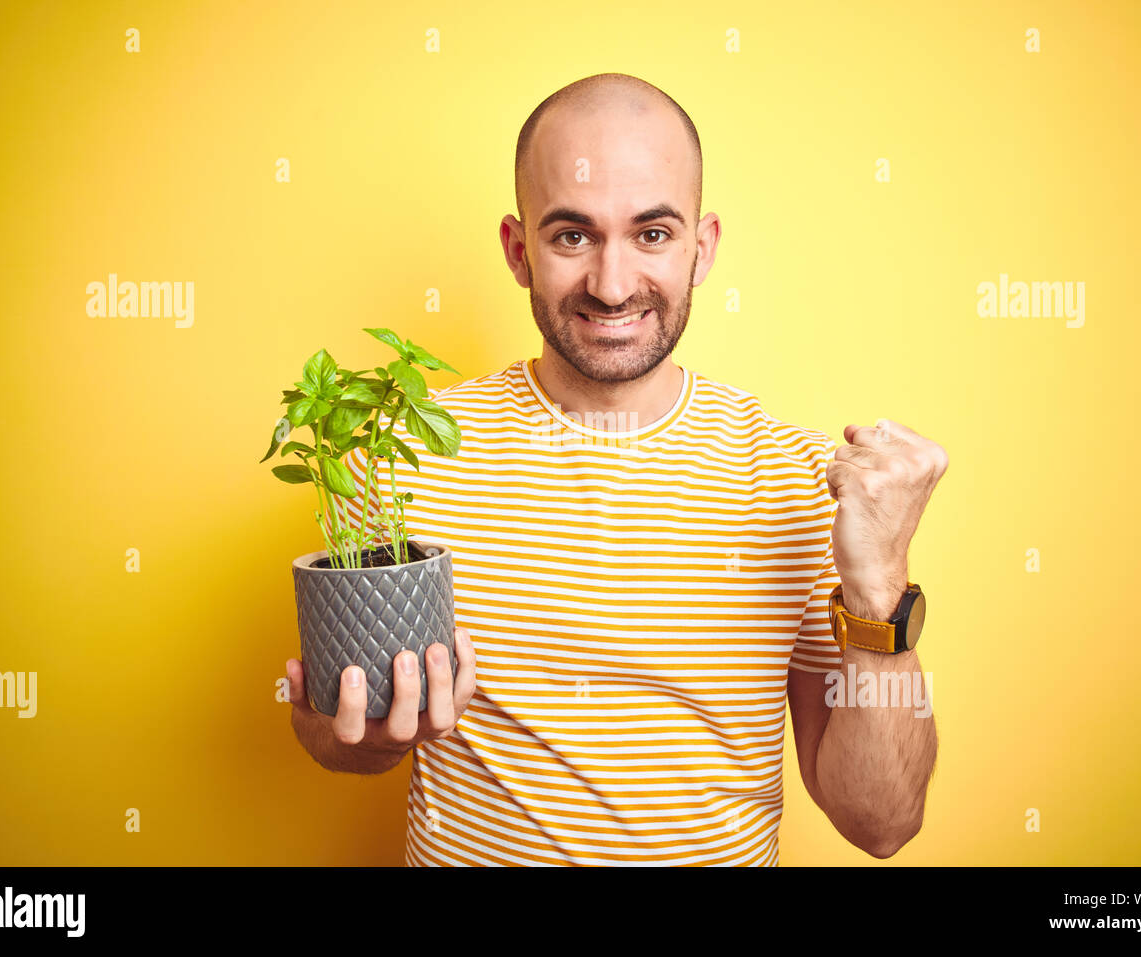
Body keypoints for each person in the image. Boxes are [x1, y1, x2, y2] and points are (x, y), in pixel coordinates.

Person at [285, 72, 948, 866]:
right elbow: (334, 733)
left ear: (701, 249)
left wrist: (880, 586)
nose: (613, 283)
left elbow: (881, 822)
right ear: (518, 248)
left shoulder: (796, 476)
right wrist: (358, 732)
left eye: (653, 234)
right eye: (572, 235)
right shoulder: (406, 453)